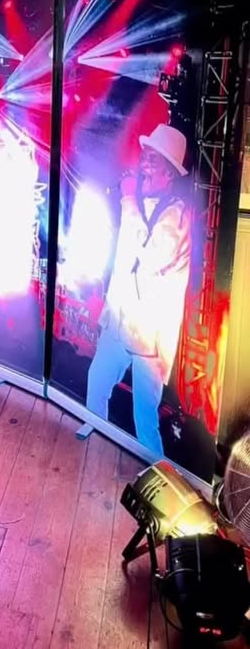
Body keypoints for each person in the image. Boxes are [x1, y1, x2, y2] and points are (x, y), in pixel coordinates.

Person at [86, 123, 192, 455]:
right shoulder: (137, 204)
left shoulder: (178, 216)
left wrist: (129, 198)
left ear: (169, 173)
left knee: (145, 419)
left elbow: (150, 257)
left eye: (153, 159)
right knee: (96, 386)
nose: (143, 163)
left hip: (149, 339)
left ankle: (157, 474)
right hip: (119, 324)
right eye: (144, 156)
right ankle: (93, 453)